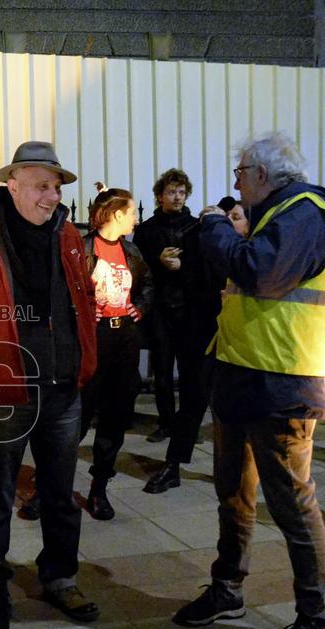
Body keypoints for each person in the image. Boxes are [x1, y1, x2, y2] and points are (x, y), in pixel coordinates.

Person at [173, 132, 325, 629]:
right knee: (234, 496)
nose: (236, 182)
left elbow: (259, 273)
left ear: (263, 174)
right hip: (244, 378)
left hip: (282, 386)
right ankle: (228, 588)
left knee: (293, 505)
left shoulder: (306, 213)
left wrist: (218, 227)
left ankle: (318, 619)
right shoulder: (277, 215)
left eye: (241, 173)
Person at [0, 141, 99, 622]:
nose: (52, 196)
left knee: (60, 492)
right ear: (14, 185)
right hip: (8, 391)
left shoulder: (68, 235)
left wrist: (84, 357)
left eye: (56, 187)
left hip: (63, 388)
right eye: (42, 186)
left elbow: (84, 299)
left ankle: (60, 577)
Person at [144, 197, 246, 494]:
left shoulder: (253, 257)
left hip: (241, 342)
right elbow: (193, 281)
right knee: (191, 399)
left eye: (237, 217)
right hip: (204, 334)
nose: (230, 221)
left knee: (231, 410)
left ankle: (234, 471)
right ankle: (173, 464)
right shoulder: (211, 248)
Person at [80, 188, 153, 520]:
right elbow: (64, 289)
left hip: (124, 338)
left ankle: (99, 489)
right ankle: (47, 486)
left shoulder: (132, 250)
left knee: (115, 415)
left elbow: (148, 284)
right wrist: (81, 312)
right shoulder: (82, 247)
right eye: (131, 212)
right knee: (77, 416)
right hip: (93, 339)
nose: (136, 217)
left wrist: (140, 307)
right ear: (116, 214)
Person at [132, 168, 199, 443]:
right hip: (160, 307)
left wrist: (183, 266)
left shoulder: (196, 227)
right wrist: (158, 262)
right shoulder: (147, 229)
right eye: (172, 192)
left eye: (182, 192)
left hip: (188, 307)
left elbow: (204, 266)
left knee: (189, 370)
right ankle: (166, 422)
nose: (177, 197)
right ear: (160, 196)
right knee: (161, 368)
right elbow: (137, 267)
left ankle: (187, 424)